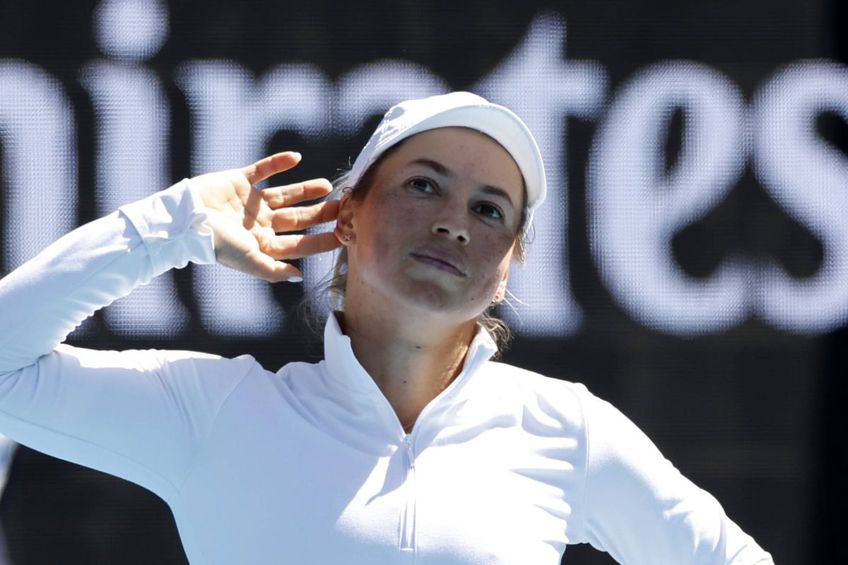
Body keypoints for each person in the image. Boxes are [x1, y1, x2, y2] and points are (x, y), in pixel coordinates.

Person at [0, 92, 772, 564]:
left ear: (509, 264)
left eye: (489, 209)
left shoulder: (567, 428)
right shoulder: (219, 410)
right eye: (423, 184)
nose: (453, 223)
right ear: (345, 216)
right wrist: (174, 224)